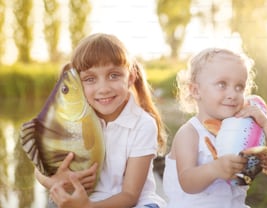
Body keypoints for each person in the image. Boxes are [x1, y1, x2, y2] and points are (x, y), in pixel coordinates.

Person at [35, 33, 168, 208]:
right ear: (78, 83)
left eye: (114, 75)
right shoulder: (72, 121)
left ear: (130, 77)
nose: (103, 88)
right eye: (90, 79)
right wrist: (55, 182)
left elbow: (130, 196)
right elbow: (39, 169)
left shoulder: (142, 124)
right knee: (55, 201)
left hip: (132, 203)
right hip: (84, 200)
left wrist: (86, 207)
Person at [162, 48, 267, 208]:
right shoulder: (190, 133)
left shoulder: (242, 132)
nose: (233, 94)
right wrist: (215, 169)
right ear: (196, 91)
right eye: (222, 84)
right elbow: (187, 182)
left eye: (239, 87)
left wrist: (266, 124)